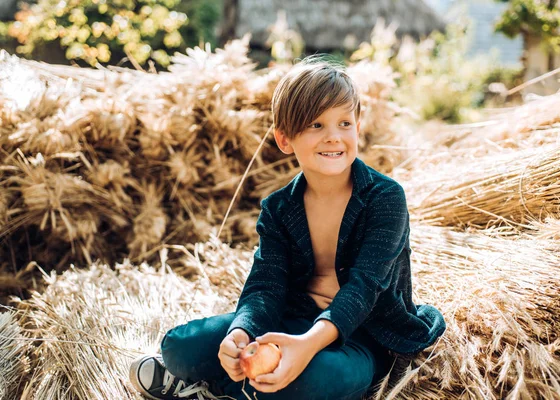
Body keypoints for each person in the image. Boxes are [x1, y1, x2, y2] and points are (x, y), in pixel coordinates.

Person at [129, 55, 446, 400]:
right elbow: (266, 285)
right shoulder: (279, 208)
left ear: (358, 125)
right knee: (179, 346)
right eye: (316, 126)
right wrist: (241, 332)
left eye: (344, 123)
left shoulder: (384, 198)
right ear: (284, 139)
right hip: (288, 319)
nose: (333, 138)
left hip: (358, 334)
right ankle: (235, 387)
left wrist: (305, 347)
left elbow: (365, 288)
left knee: (312, 380)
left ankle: (216, 389)